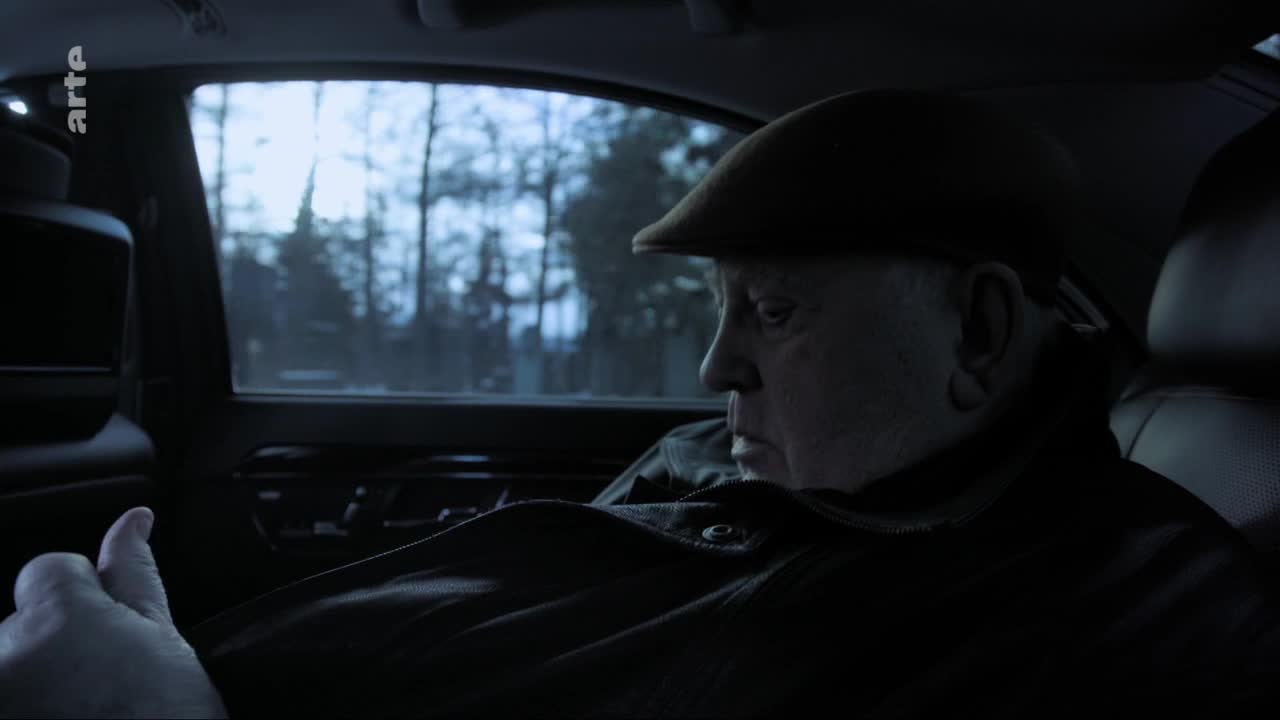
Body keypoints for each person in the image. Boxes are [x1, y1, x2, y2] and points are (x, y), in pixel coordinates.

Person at [2, 90, 1277, 719]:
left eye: (772, 312)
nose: (717, 368)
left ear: (981, 330)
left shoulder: (1145, 633)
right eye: (719, 311)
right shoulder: (798, 479)